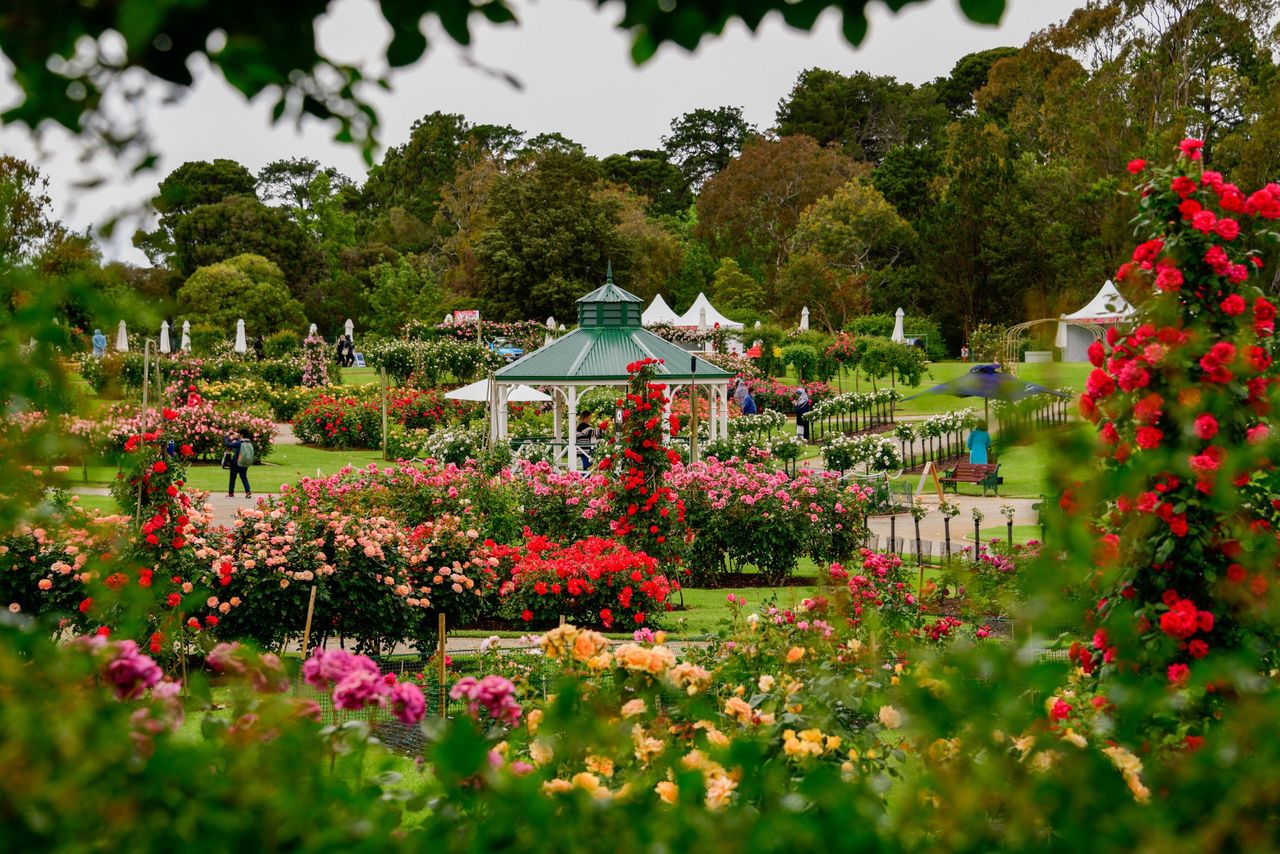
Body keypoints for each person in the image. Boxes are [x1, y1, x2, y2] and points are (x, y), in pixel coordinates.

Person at [224, 430, 252, 498]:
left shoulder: (239, 443)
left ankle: (231, 493)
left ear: (242, 435)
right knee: (244, 477)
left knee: (232, 478)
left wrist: (226, 437)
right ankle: (248, 491)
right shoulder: (248, 443)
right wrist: (236, 437)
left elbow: (228, 444)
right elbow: (239, 441)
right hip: (245, 462)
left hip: (236, 463)